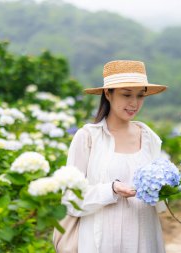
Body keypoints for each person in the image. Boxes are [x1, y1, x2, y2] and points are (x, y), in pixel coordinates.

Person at [62, 60, 168, 253]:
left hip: (144, 237)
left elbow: (158, 201)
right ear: (108, 93)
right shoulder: (88, 138)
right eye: (126, 94)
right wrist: (111, 190)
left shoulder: (149, 137)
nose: (134, 103)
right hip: (100, 241)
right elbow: (71, 199)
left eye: (140, 96)